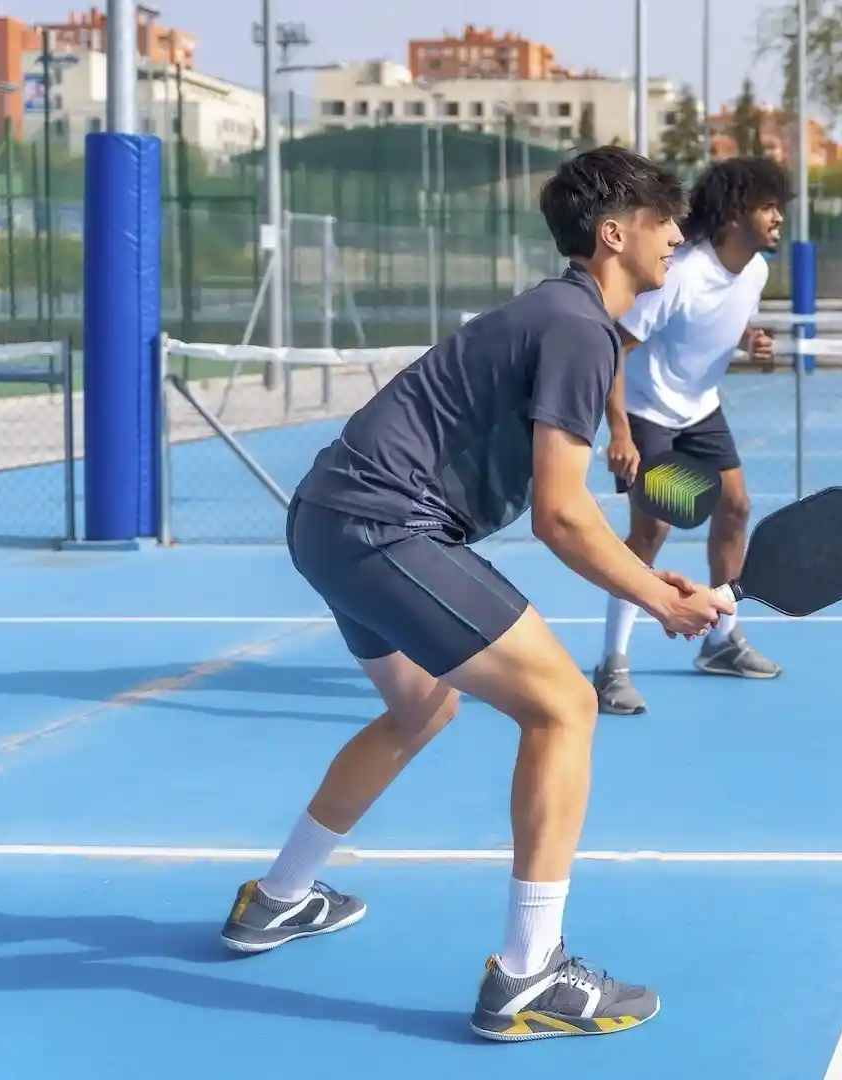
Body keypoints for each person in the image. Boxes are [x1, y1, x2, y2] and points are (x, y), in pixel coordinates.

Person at [216, 146, 732, 1042]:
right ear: (616, 234)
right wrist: (658, 598)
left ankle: (278, 897)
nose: (679, 236)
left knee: (421, 711)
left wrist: (652, 575)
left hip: (327, 516)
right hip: (383, 525)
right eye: (664, 222)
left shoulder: (570, 317)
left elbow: (571, 500)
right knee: (565, 706)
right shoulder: (575, 326)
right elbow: (561, 518)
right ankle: (531, 972)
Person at [593, 156, 788, 716]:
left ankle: (721, 640)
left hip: (701, 411)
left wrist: (750, 340)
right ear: (735, 215)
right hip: (648, 413)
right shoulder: (680, 274)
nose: (778, 218)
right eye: (768, 206)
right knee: (651, 529)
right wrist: (621, 432)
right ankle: (613, 664)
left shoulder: (754, 272)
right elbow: (612, 346)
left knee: (735, 507)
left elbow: (717, 323)